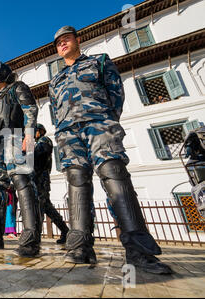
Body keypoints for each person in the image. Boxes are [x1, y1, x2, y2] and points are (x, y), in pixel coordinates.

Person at [48, 26, 172, 274]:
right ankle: (81, 247)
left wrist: (106, 119)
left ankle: (139, 251)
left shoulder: (99, 61)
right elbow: (54, 110)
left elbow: (116, 93)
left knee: (113, 174)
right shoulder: (55, 80)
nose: (62, 44)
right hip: (68, 133)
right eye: (58, 42)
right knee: (76, 181)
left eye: (67, 39)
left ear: (78, 40)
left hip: (100, 124)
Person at [0, 60, 42, 257]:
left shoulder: (17, 88)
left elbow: (30, 110)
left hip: (15, 138)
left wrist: (29, 135)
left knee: (22, 181)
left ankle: (31, 236)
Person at [34, 123, 70, 244]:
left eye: (34, 131)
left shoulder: (44, 140)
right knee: (47, 208)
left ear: (40, 131)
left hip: (41, 178)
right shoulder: (38, 142)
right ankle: (65, 230)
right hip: (38, 178)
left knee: (39, 206)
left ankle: (35, 235)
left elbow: (39, 154)